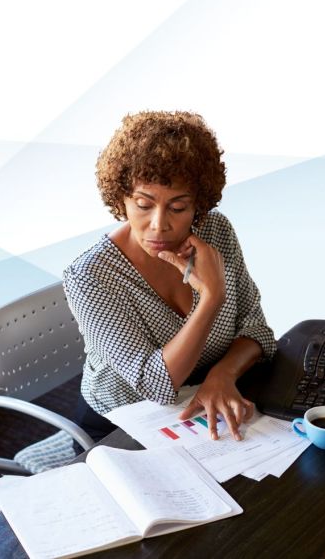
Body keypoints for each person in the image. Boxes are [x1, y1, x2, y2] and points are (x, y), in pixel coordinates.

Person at [63, 110, 276, 444]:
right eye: (143, 204)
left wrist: (223, 373)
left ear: (198, 206)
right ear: (121, 198)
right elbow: (156, 383)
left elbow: (257, 330)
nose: (159, 224)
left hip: (207, 399)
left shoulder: (216, 232)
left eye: (178, 208)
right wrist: (211, 298)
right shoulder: (89, 276)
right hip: (120, 425)